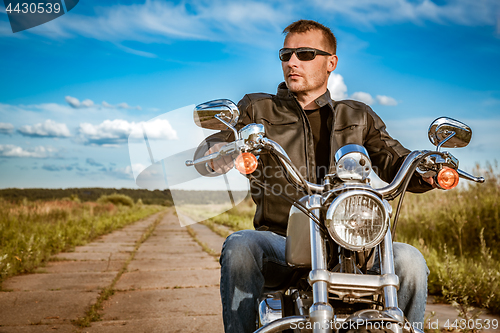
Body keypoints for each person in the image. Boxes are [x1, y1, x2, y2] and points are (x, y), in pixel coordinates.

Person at [195, 20, 433, 333]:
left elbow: (394, 159)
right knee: (240, 246)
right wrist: (221, 153)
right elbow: (217, 146)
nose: (292, 62)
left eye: (305, 54)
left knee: (410, 261)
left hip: (351, 246)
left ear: (331, 62)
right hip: (281, 241)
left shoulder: (357, 115)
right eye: (286, 54)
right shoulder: (258, 108)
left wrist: (427, 170)